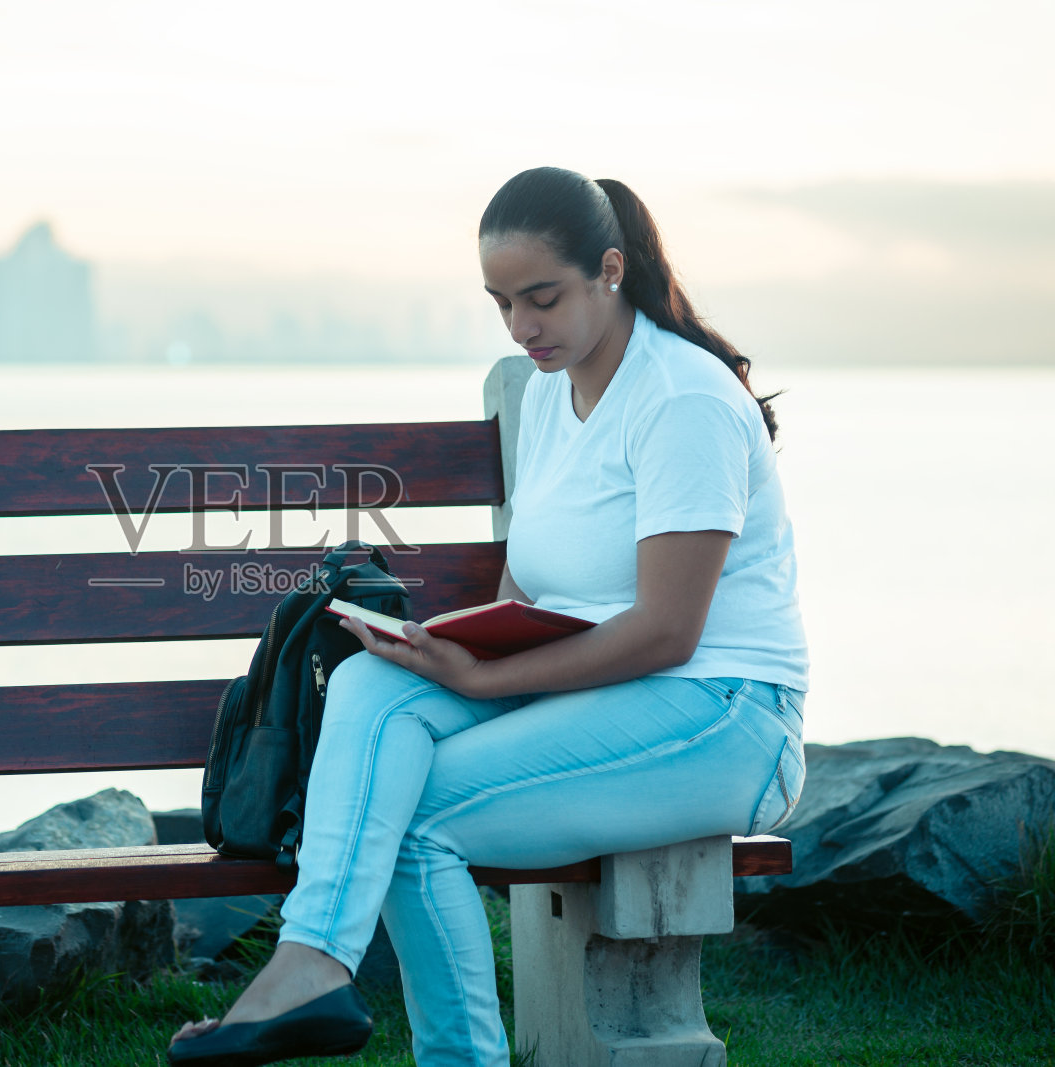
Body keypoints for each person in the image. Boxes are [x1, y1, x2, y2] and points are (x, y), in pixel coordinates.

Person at [166, 166, 809, 1067]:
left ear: (611, 270)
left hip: (722, 713)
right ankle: (309, 964)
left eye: (541, 298)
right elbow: (531, 593)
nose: (521, 327)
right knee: (371, 682)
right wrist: (442, 648)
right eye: (501, 303)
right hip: (596, 689)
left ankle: (420, 1038)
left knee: (413, 815)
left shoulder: (684, 400)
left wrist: (490, 677)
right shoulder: (548, 392)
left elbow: (670, 630)